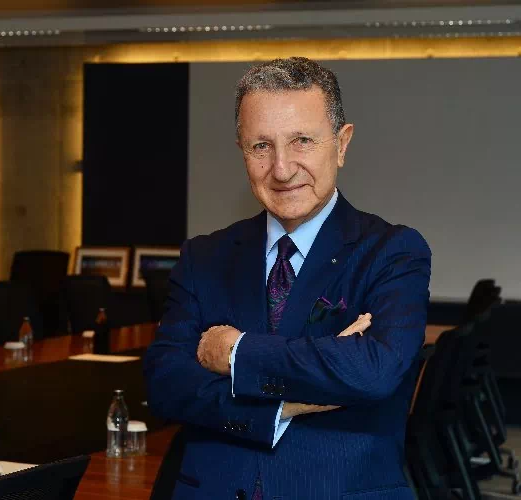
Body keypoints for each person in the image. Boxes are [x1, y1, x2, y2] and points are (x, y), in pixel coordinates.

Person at [144, 57, 431, 499]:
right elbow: (166, 384)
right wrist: (286, 405)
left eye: (302, 141)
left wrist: (236, 352)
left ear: (341, 144)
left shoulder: (393, 252)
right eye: (261, 146)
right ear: (241, 150)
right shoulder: (204, 256)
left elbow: (375, 371)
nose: (281, 168)